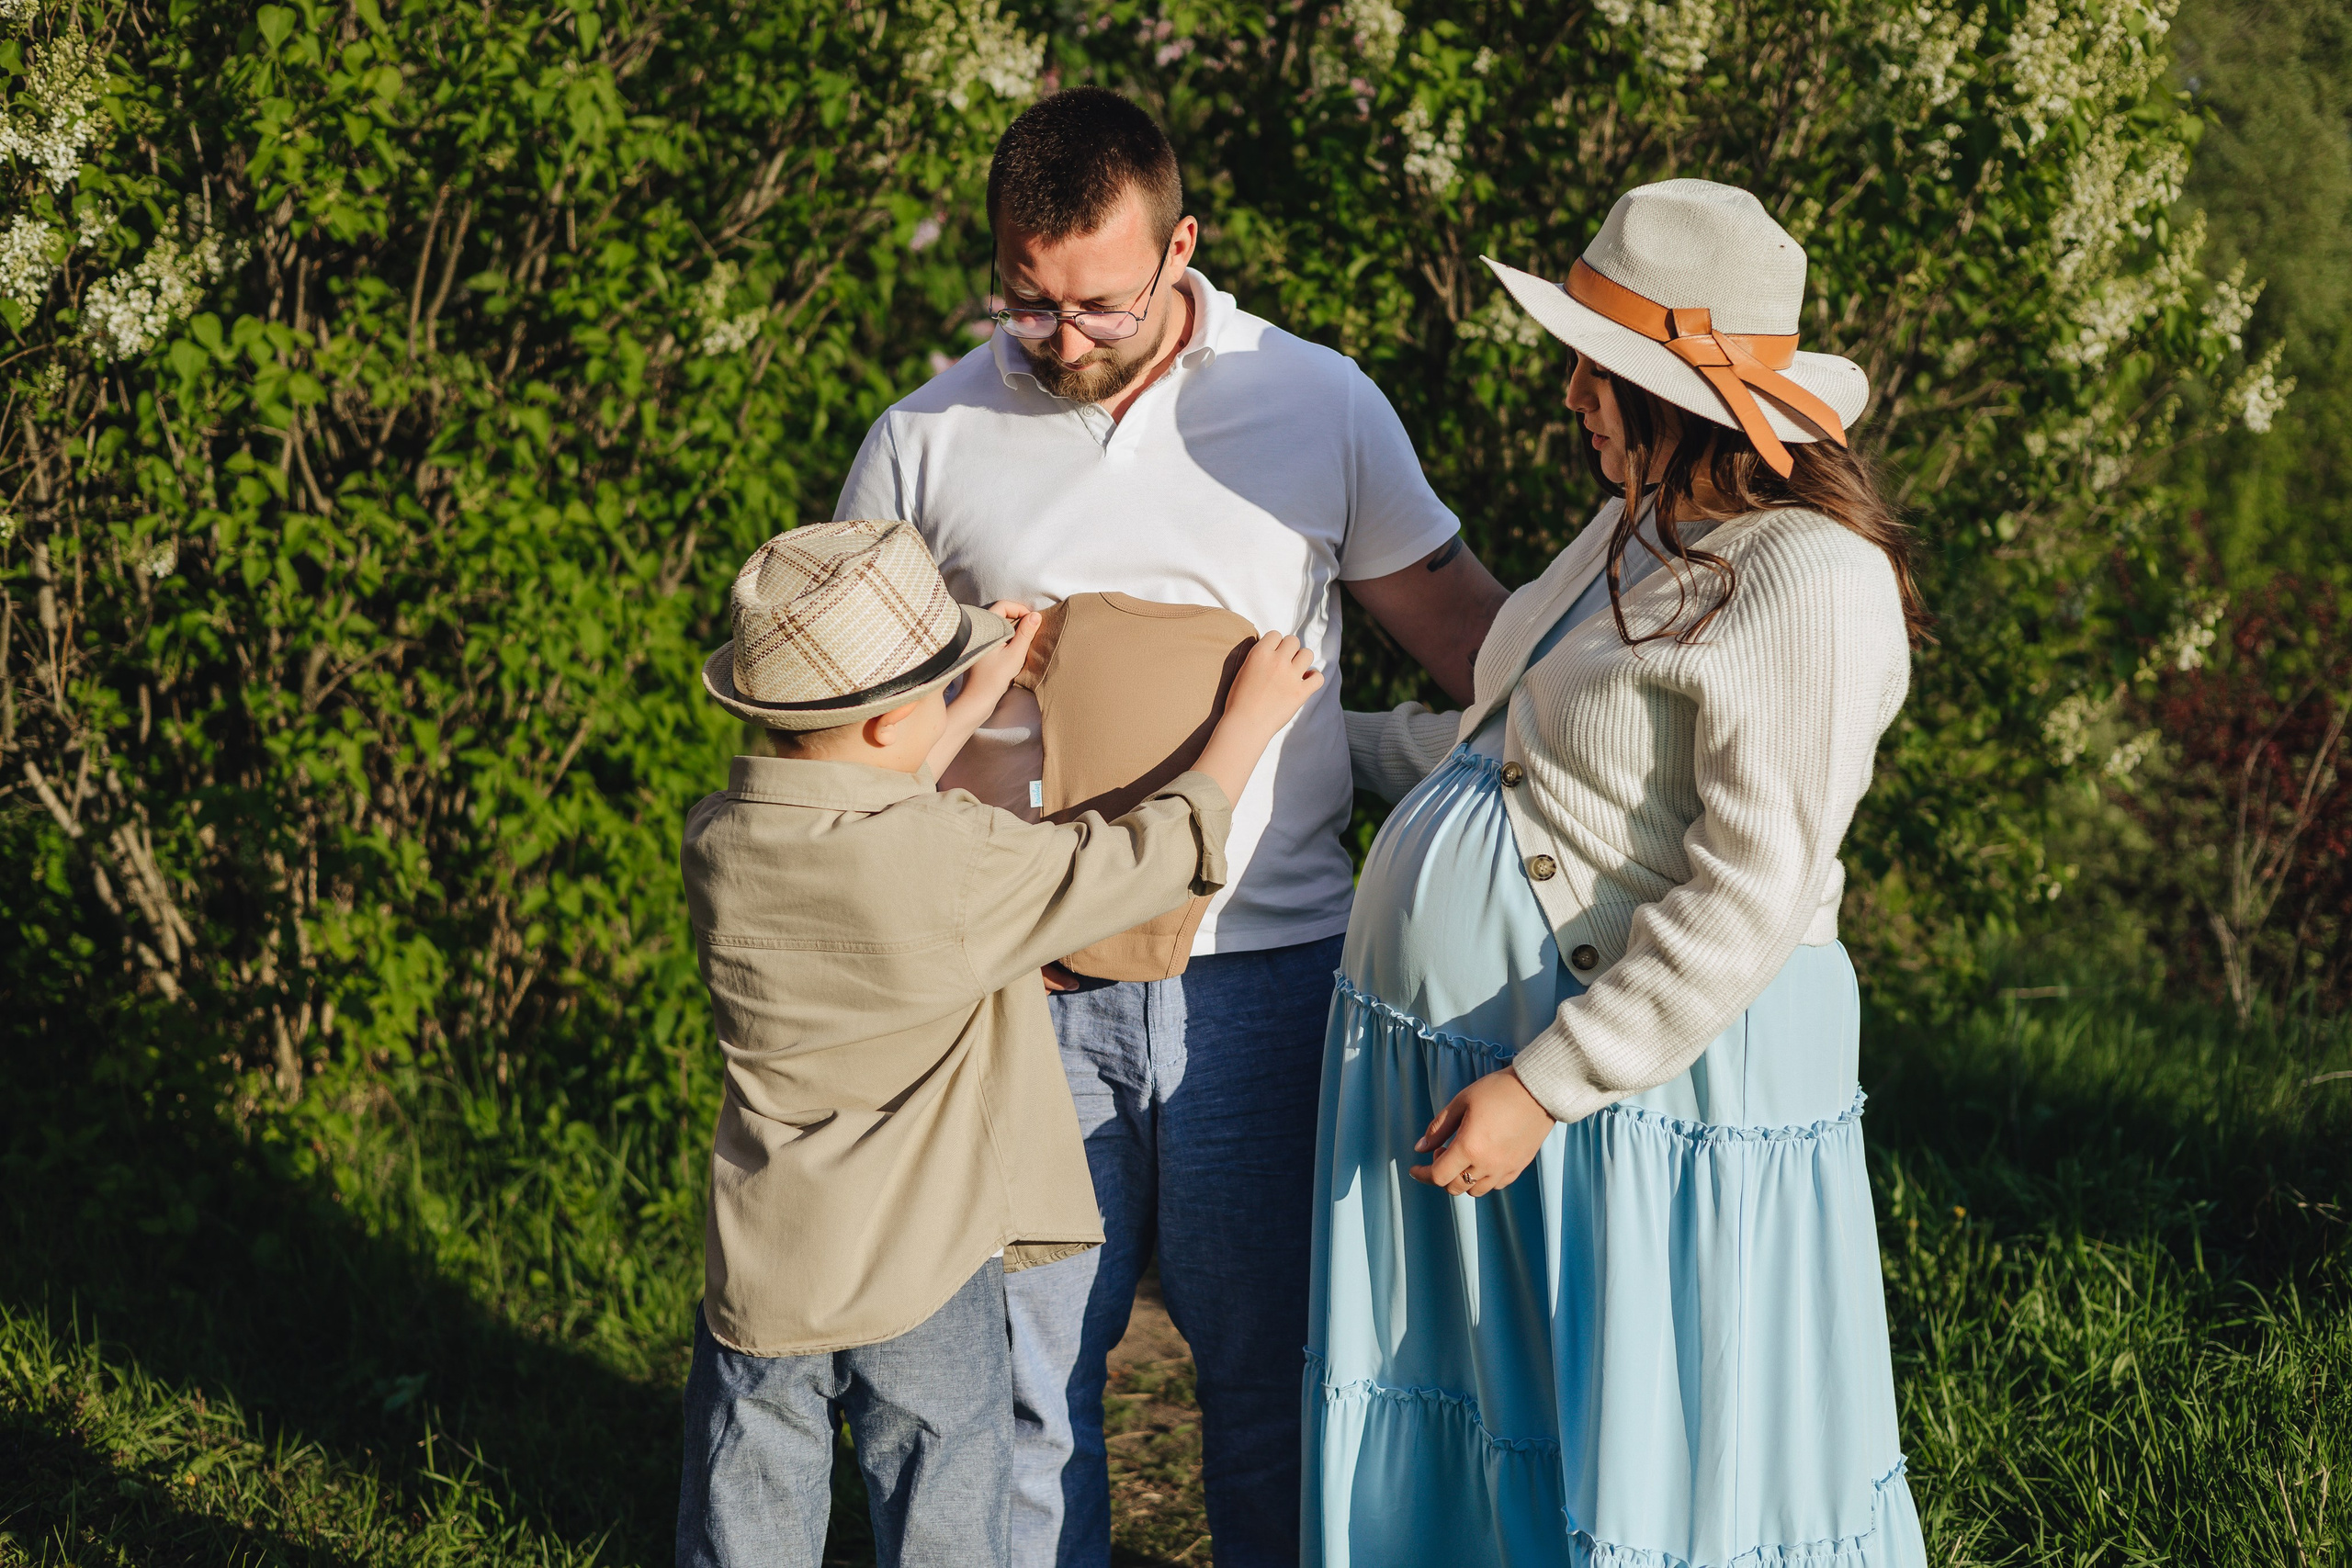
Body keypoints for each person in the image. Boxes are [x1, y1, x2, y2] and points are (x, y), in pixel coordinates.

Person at [833, 88, 1509, 1565]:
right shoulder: (925, 438)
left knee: (1271, 1378)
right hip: (1020, 988)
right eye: (1028, 305)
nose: (1063, 340)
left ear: (1181, 245)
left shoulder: (1318, 402)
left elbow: (1470, 637)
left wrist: (1629, 712)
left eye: (1099, 304)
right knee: (1031, 1390)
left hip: (1264, 976)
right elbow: (850, 736)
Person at [1310, 179, 1932, 1566]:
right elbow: (1522, 748)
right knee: (1517, 1430)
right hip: (1543, 1067)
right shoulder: (1638, 521)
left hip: (1658, 1085)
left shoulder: (1808, 579)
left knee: (1661, 1451)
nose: (1575, 394)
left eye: (1600, 368)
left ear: (1677, 392)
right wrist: (1311, 751)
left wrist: (1548, 1082)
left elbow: (1752, 887)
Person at [673, 519, 1323, 1568]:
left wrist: (967, 698)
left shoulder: (721, 839)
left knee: (746, 1504)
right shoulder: (955, 858)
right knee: (940, 1499)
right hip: (921, 1263)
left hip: (766, 1261)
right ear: (893, 726)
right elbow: (1133, 864)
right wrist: (1245, 726)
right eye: (937, 694)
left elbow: (863, 798)